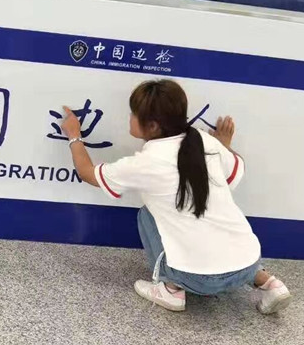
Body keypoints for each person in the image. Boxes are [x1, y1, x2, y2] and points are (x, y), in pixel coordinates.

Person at [61, 79, 291, 314]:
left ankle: (170, 289)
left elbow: (87, 173)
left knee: (147, 214)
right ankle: (270, 283)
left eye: (134, 113)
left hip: (198, 279)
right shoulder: (204, 140)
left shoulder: (145, 163)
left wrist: (74, 135)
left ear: (152, 126)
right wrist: (223, 145)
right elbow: (234, 171)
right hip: (249, 263)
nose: (129, 117)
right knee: (214, 215)